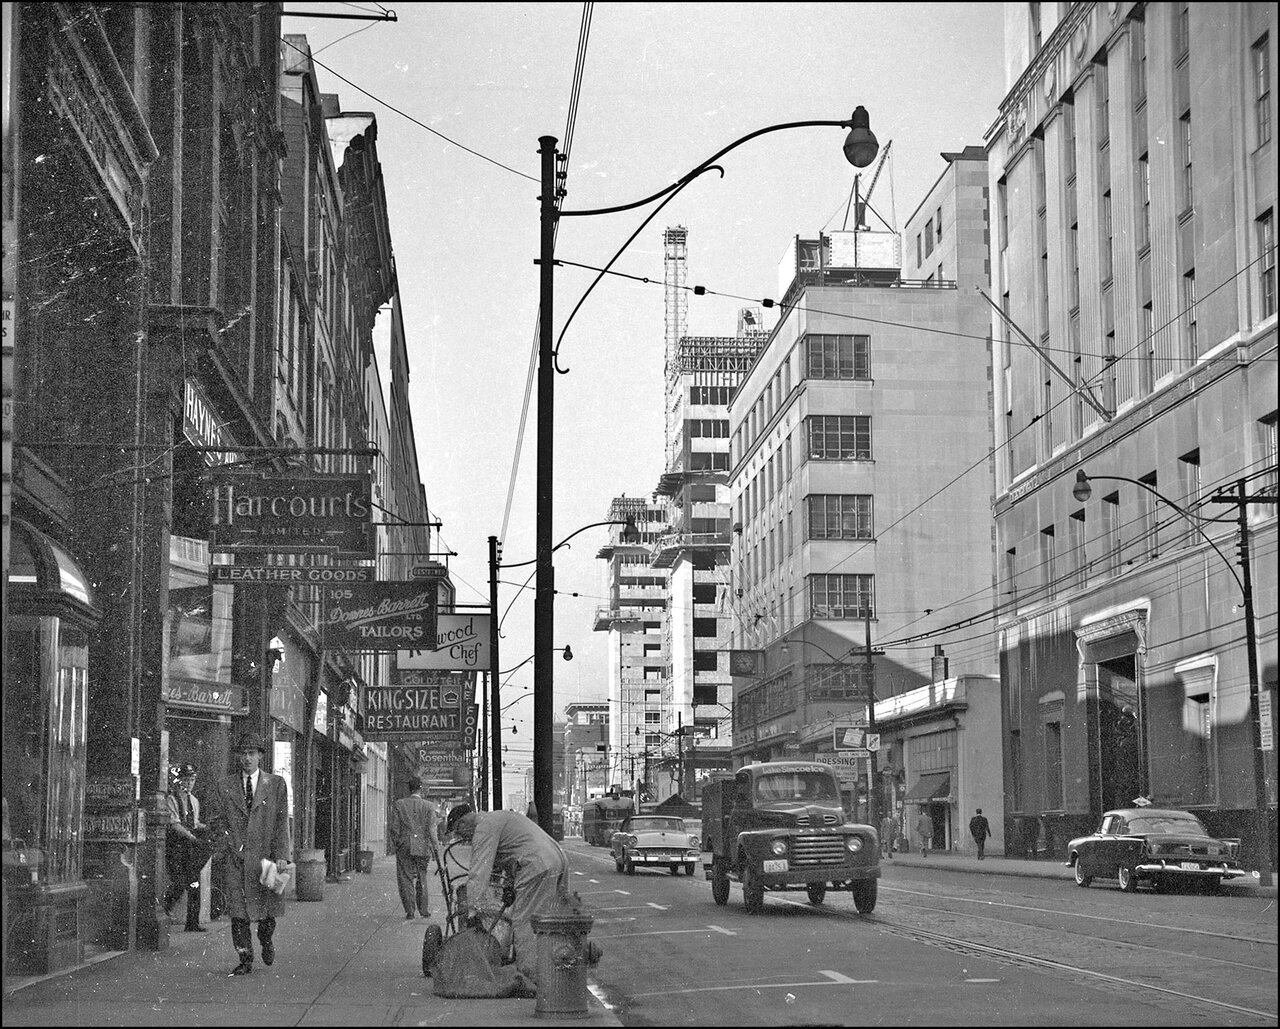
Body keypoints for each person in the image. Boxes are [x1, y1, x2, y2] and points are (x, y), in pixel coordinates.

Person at [446, 804, 569, 989]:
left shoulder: (484, 828)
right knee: (550, 921)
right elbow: (515, 851)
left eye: (459, 832)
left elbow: (479, 872)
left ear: (463, 822)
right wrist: (510, 885)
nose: (462, 839)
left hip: (536, 865)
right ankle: (558, 969)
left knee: (525, 922)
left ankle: (531, 978)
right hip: (557, 859)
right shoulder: (499, 818)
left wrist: (472, 911)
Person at [206, 732, 291, 976]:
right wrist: (225, 845)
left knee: (267, 914)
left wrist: (282, 854)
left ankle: (266, 941)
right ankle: (245, 959)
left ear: (260, 756)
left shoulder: (275, 785)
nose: (247, 758)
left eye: (252, 753)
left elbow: (281, 821)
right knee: (238, 914)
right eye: (243, 753)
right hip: (236, 860)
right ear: (237, 756)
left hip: (266, 861)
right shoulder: (225, 786)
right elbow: (217, 820)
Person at [164, 764, 211, 932]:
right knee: (179, 881)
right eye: (186, 780)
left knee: (194, 884)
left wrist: (205, 827)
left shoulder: (194, 801)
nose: (189, 783)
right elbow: (175, 824)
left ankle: (192, 922)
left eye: (192, 780)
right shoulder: (172, 799)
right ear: (180, 781)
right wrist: (191, 835)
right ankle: (165, 909)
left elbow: (194, 822)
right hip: (176, 846)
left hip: (190, 848)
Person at [389, 776, 440, 919]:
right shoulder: (429, 806)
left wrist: (397, 843)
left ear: (409, 788)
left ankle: (410, 911)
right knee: (422, 877)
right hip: (422, 847)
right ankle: (423, 910)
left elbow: (394, 828)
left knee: (405, 878)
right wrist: (435, 849)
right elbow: (432, 830)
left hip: (404, 845)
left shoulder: (400, 804)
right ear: (420, 788)